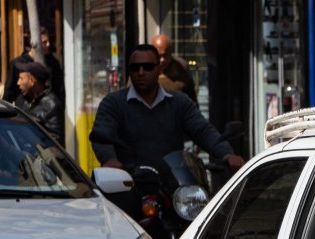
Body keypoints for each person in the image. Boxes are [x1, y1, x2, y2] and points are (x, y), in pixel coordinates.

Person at [90, 43, 243, 177]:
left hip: (173, 184)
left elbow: (203, 131)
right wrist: (109, 159)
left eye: (148, 67)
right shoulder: (113, 103)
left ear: (159, 69)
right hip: (129, 184)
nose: (141, 72)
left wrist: (227, 154)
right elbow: (102, 136)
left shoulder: (179, 102)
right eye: (135, 67)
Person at [14, 61, 63, 143]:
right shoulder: (21, 100)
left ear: (32, 81)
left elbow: (55, 142)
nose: (18, 83)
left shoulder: (52, 105)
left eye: (21, 78)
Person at [153, 33, 197, 102]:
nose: (162, 60)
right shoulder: (142, 68)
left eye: (165, 55)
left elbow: (191, 97)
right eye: (159, 56)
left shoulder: (181, 67)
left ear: (170, 52)